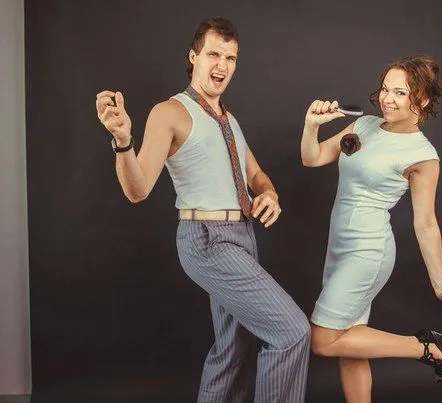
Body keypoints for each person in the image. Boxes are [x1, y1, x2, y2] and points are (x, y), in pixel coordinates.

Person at [95, 17, 310, 403]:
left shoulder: (229, 119)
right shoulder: (170, 112)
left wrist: (270, 193)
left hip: (242, 237)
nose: (222, 65)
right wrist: (123, 142)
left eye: (231, 58)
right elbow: (138, 190)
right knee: (292, 332)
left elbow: (255, 173)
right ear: (193, 57)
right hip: (209, 240)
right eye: (213, 54)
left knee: (233, 351)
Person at [300, 55, 442, 402]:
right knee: (350, 342)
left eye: (400, 93)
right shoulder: (363, 126)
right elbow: (312, 157)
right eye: (384, 89)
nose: (387, 99)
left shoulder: (422, 155)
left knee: (323, 339)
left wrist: (440, 281)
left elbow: (425, 222)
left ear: (422, 100)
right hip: (338, 247)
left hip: (368, 251)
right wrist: (311, 125)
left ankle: (422, 347)